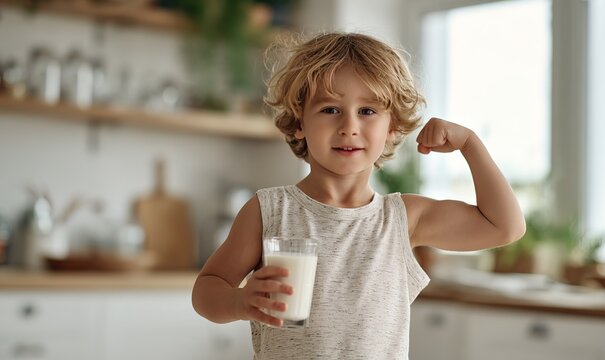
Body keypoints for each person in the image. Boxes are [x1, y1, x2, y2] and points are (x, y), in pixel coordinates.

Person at [192, 32, 526, 359]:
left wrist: (470, 145)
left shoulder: (404, 218)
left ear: (392, 127)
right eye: (330, 110)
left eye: (367, 111)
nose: (349, 126)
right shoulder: (269, 210)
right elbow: (207, 289)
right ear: (299, 123)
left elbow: (504, 227)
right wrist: (239, 302)